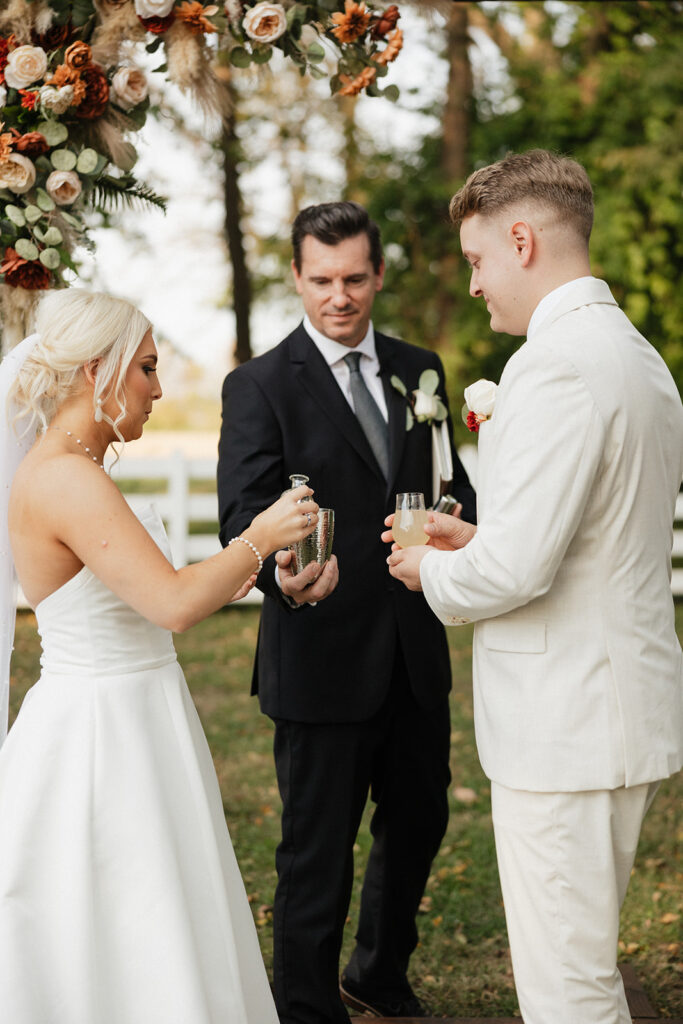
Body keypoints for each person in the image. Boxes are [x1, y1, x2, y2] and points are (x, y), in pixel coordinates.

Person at [386, 149, 683, 1024]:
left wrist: (429, 567)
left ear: (521, 240)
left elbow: (517, 572)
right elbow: (593, 535)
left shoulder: (552, 365)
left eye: (477, 260)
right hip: (613, 707)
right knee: (580, 965)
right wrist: (478, 537)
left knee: (566, 989)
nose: (475, 284)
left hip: (567, 725)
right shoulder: (637, 356)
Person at [0, 288, 321, 1024]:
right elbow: (172, 603)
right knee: (120, 914)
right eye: (144, 368)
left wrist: (268, 571)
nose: (157, 386)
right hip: (100, 732)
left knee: (154, 907)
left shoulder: (78, 467)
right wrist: (262, 535)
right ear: (96, 371)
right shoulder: (63, 477)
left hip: (138, 710)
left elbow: (155, 592)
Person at [217, 200, 476, 1024]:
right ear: (296, 276)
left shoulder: (418, 368)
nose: (339, 296)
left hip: (411, 646)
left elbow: (453, 489)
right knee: (315, 846)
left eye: (354, 278)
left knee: (420, 818)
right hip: (319, 648)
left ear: (377, 274)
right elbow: (243, 514)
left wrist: (446, 524)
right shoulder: (257, 385)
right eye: (322, 279)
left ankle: (377, 972)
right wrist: (280, 576)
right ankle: (303, 1002)